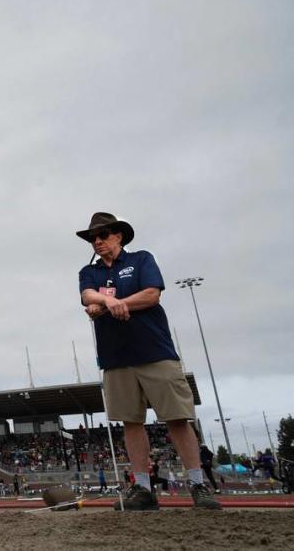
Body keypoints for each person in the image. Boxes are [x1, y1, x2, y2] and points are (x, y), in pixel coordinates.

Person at [77, 213, 220, 511]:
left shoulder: (141, 259)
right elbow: (86, 296)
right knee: (131, 422)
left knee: (177, 417)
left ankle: (197, 483)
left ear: (119, 235)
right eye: (93, 238)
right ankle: (142, 488)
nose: (98, 241)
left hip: (155, 351)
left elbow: (152, 295)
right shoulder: (89, 272)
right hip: (116, 358)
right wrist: (104, 301)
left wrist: (114, 303)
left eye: (103, 235)